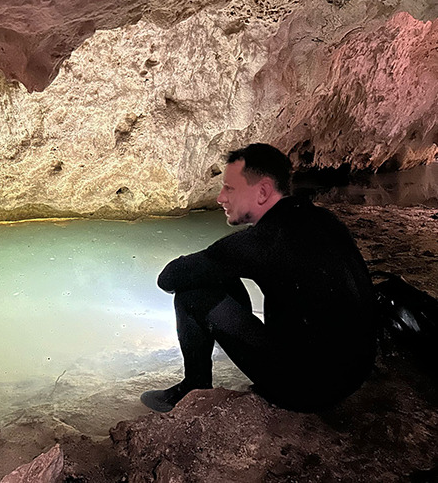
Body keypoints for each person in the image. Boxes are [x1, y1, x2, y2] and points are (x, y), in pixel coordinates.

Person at [141, 143, 377, 413]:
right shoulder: (322, 219)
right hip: (352, 375)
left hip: (309, 390)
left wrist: (208, 260)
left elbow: (169, 278)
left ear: (263, 191)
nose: (220, 198)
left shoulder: (264, 241)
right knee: (220, 275)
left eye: (230, 188)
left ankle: (194, 387)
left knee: (191, 295)